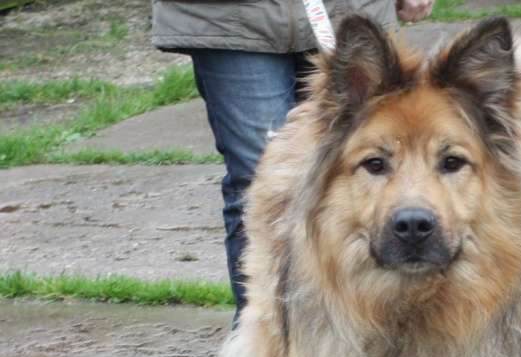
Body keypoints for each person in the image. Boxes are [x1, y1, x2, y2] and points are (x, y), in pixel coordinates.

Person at [151, 0, 434, 321]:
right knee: (260, 182)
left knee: (386, 165)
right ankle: (270, 334)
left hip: (349, 10)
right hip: (233, 17)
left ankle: (386, 334)